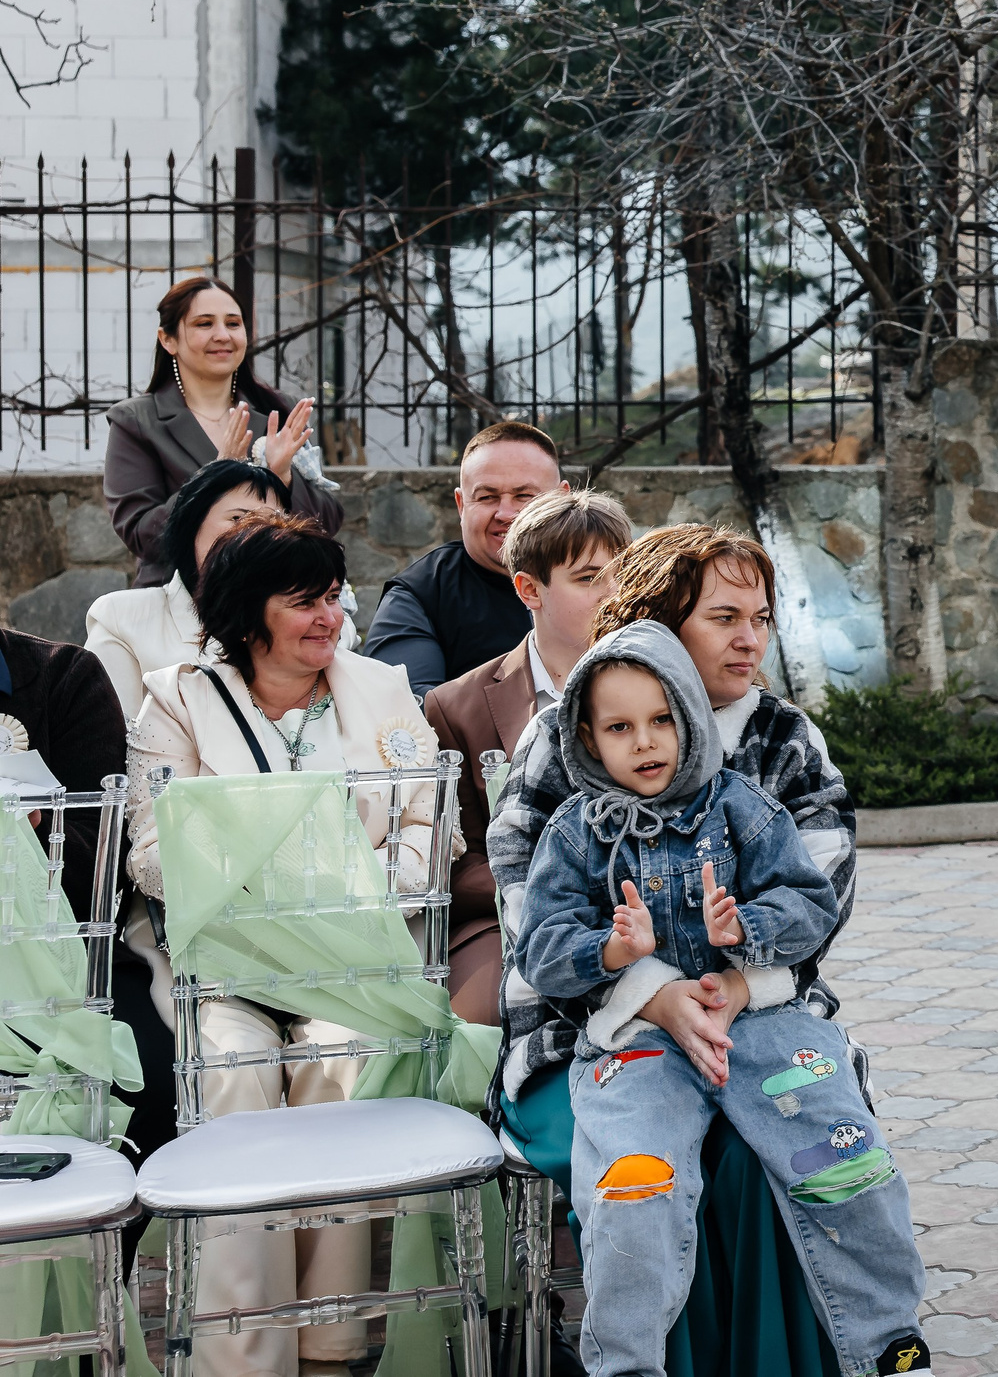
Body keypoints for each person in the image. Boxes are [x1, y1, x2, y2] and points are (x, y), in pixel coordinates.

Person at [488, 524, 856, 1377]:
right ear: (658, 626)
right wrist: (649, 988)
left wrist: (734, 982)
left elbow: (825, 890)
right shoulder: (574, 729)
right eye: (723, 616)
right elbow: (522, 895)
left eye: (761, 616)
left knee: (770, 1153)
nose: (749, 638)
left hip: (752, 1019)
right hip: (589, 1030)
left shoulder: (785, 738)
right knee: (655, 1164)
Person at [515, 621, 930, 1377]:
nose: (645, 742)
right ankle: (628, 1365)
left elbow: (811, 904)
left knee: (845, 1163)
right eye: (619, 726)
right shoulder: (576, 833)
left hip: (762, 1027)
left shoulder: (740, 805)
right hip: (638, 1045)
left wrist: (748, 929)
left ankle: (888, 1349)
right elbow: (538, 949)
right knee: (636, 1187)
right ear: (587, 737)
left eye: (662, 718)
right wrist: (612, 951)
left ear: (690, 715)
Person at [124, 517, 445, 1377]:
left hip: (350, 964)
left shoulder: (381, 689)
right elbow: (148, 852)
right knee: (230, 1075)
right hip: (229, 966)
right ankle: (242, 1354)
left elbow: (429, 825)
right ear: (244, 612)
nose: (327, 616)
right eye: (302, 600)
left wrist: (350, 882)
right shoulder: (179, 696)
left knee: (347, 1059)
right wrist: (287, 872)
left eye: (333, 596)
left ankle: (331, 1340)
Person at [425, 487, 632, 1027]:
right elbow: (455, 856)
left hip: (647, 904)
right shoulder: (455, 706)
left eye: (622, 574)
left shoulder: (665, 689)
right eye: (588, 578)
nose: (612, 593)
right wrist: (554, 888)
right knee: (482, 1013)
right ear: (528, 588)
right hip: (507, 916)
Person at [0, 621, 177, 1173]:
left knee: (149, 1076)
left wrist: (30, 831)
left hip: (64, 956)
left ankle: (103, 1254)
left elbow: (99, 880)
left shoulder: (61, 676)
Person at [103, 277, 340, 588]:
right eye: (204, 324)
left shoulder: (279, 410)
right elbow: (143, 535)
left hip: (275, 597)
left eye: (233, 323)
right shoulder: (136, 420)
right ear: (168, 339)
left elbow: (327, 522)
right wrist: (214, 476)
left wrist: (283, 477)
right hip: (183, 603)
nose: (222, 335)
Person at [85, 460, 356, 719]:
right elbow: (113, 743)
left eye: (272, 522)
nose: (255, 534)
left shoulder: (329, 625)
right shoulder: (122, 619)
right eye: (239, 519)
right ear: (190, 528)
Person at [364, 420, 569, 698]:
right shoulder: (420, 595)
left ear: (562, 498)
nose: (505, 513)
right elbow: (406, 705)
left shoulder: (612, 584)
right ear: (461, 505)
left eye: (524, 496)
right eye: (487, 497)